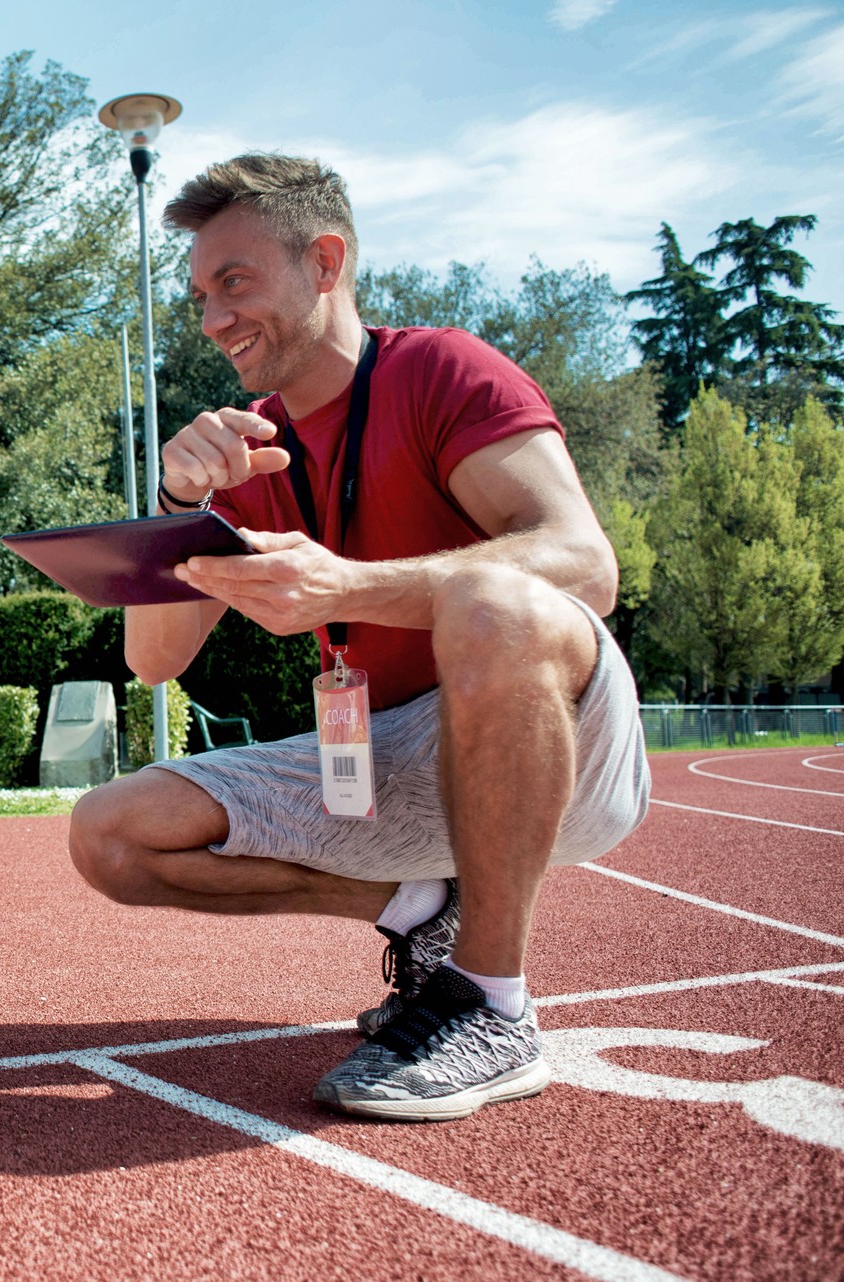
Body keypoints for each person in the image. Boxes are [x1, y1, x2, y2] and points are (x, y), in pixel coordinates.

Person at [68, 155, 649, 1121]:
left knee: (491, 601)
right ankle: (422, 909)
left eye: (236, 282)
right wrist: (178, 503)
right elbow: (153, 660)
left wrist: (350, 588)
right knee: (109, 835)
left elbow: (587, 566)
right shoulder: (243, 443)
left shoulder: (442, 369)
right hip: (380, 761)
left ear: (325, 261)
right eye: (202, 293)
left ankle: (494, 1005)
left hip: (553, 741)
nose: (213, 319)